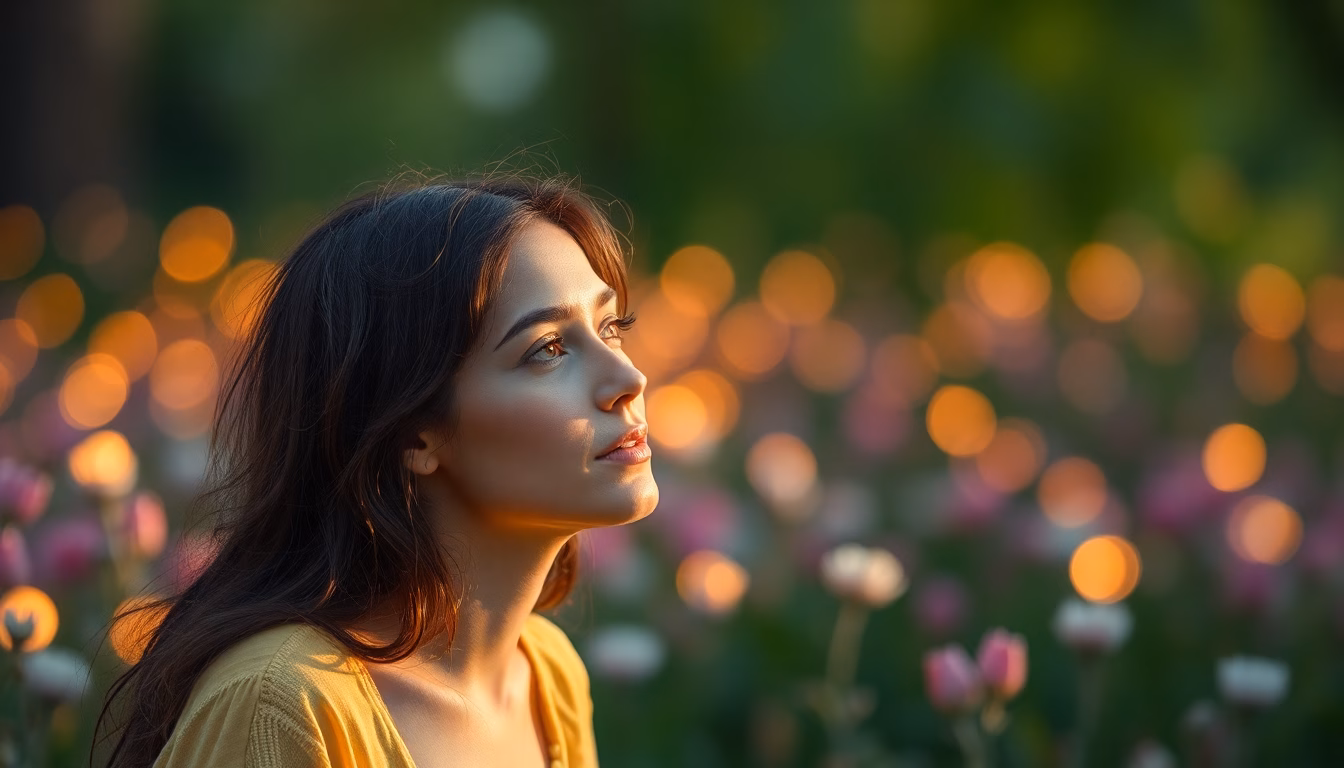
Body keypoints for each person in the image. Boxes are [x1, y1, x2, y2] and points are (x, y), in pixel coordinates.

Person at [95, 173, 659, 767]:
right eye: (548, 349)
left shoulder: (546, 675)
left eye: (610, 327)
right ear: (414, 434)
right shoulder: (284, 706)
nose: (629, 379)